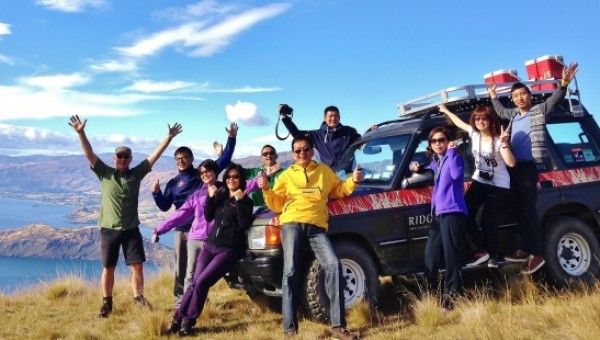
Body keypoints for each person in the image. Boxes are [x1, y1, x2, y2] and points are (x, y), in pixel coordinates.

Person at [68, 114, 182, 318]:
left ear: (130, 160)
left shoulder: (136, 174)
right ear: (115, 159)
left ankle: (138, 298)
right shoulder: (105, 172)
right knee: (108, 268)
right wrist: (81, 133)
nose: (121, 159)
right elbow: (89, 154)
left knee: (137, 266)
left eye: (125, 157)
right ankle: (106, 304)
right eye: (118, 157)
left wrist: (169, 138)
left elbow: (153, 157)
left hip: (131, 230)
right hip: (109, 230)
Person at [259, 135, 363, 339]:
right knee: (290, 273)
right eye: (297, 151)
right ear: (293, 154)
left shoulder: (324, 171)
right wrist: (266, 189)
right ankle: (290, 330)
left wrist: (353, 181)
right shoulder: (286, 176)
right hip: (292, 225)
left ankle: (338, 327)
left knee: (333, 266)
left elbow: (339, 190)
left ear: (312, 151)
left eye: (305, 149)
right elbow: (276, 205)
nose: (302, 154)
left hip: (316, 227)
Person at [487, 62, 579, 275]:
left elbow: (554, 101)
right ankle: (525, 249)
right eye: (516, 95)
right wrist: (492, 96)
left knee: (529, 211)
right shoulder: (513, 116)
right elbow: (499, 109)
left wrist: (563, 84)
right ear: (512, 99)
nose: (520, 97)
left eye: (523, 94)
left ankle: (536, 254)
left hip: (529, 167)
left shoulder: (538, 111)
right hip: (513, 168)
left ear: (529, 96)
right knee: (520, 211)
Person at [150, 123, 237, 308]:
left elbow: (224, 160)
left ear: (191, 159)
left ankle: (199, 299)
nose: (181, 160)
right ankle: (179, 301)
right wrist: (156, 193)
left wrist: (231, 138)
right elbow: (165, 207)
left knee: (200, 269)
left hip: (202, 229)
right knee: (181, 268)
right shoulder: (173, 183)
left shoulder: (201, 176)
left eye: (184, 157)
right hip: (182, 229)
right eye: (178, 158)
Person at [168, 163, 253, 336]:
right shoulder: (221, 195)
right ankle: (176, 320)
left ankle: (188, 322)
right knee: (194, 284)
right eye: (228, 176)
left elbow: (244, 224)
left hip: (228, 250)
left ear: (241, 179)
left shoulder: (246, 200)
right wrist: (211, 198)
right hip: (210, 246)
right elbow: (208, 216)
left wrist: (240, 201)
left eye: (235, 176)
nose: (231, 179)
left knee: (201, 283)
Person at [439, 104, 516, 268]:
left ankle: (493, 256)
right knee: (464, 213)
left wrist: (504, 144)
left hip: (499, 184)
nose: (480, 121)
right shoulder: (474, 134)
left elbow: (511, 162)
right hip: (480, 180)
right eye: (477, 118)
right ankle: (481, 251)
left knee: (488, 220)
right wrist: (446, 111)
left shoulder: (497, 140)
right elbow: (459, 123)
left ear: (491, 120)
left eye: (484, 118)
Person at [411, 127, 467, 311]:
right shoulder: (438, 160)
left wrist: (452, 151)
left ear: (448, 140)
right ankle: (430, 296)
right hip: (438, 214)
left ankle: (453, 298)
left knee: (452, 257)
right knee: (431, 256)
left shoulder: (453, 157)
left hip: (452, 211)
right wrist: (416, 166)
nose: (437, 144)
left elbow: (457, 175)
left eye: (441, 140)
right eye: (433, 141)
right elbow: (430, 169)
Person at [279, 104, 361, 169]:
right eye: (330, 116)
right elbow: (297, 134)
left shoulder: (349, 131)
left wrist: (370, 131)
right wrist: (285, 117)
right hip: (328, 175)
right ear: (325, 118)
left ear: (339, 118)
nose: (333, 118)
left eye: (336, 116)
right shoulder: (317, 135)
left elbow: (361, 142)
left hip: (348, 174)